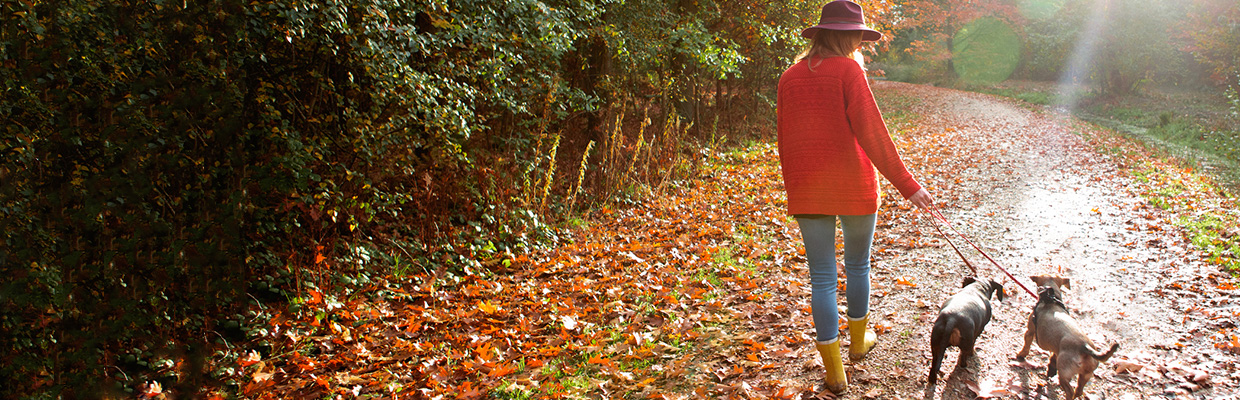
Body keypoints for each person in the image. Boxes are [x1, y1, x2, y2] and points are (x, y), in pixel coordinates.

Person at [775, 0, 934, 394]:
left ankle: (834, 371)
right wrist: (909, 185)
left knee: (822, 278)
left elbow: (786, 142)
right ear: (849, 37)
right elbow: (873, 133)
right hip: (853, 186)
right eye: (857, 37)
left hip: (809, 189)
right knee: (858, 266)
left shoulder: (788, 78)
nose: (858, 44)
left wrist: (796, 187)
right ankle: (859, 344)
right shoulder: (848, 70)